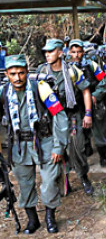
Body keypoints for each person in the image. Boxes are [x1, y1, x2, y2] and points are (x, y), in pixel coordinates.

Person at [1, 54, 69, 233]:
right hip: (18, 146)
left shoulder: (40, 88)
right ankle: (33, 220)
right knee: (24, 184)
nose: (17, 77)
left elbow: (60, 116)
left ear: (26, 72)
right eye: (13, 73)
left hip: (44, 142)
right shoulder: (3, 92)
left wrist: (58, 146)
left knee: (49, 182)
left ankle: (50, 217)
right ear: (7, 74)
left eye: (21, 73)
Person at [36, 39, 95, 192]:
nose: (47, 54)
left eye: (51, 51)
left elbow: (85, 91)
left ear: (60, 53)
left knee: (77, 147)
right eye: (46, 52)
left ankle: (83, 177)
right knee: (56, 151)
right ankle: (64, 182)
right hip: (51, 118)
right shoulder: (41, 72)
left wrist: (88, 114)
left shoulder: (72, 71)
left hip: (71, 115)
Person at [69, 39, 106, 171]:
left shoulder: (91, 65)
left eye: (79, 52)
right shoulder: (68, 69)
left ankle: (103, 158)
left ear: (83, 52)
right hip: (77, 106)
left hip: (94, 104)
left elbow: (104, 81)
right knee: (79, 134)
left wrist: (96, 95)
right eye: (73, 52)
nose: (76, 55)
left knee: (100, 132)